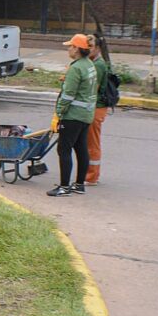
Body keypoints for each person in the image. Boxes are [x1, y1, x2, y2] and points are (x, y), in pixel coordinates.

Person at [48, 34, 97, 197]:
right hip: (86, 115)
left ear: (76, 49)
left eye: (70, 46)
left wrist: (58, 113)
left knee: (64, 149)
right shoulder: (89, 64)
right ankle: (79, 184)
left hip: (73, 116)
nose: (68, 48)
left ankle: (63, 187)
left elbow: (68, 95)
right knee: (81, 148)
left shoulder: (76, 68)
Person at [87, 35, 109, 186]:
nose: (87, 49)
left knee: (92, 143)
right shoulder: (92, 62)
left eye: (90, 46)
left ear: (98, 48)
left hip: (96, 108)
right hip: (94, 107)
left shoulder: (98, 65)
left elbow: (93, 89)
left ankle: (92, 176)